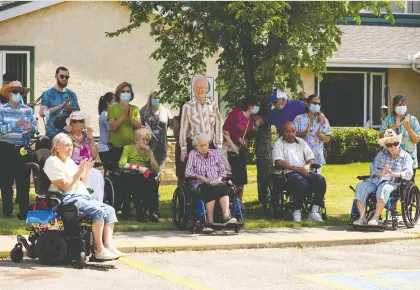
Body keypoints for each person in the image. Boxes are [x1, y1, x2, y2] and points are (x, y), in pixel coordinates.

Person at [44, 133, 123, 260]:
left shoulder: (68, 161)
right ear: (57, 147)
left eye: (71, 145)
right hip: (67, 197)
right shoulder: (52, 161)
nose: (70, 148)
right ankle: (99, 249)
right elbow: (65, 186)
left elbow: (82, 180)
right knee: (99, 212)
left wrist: (85, 169)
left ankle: (108, 245)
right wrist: (80, 171)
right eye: (67, 145)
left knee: (110, 211)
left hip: (82, 195)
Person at [353, 129, 413, 226]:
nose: (393, 146)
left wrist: (393, 174)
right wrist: (381, 172)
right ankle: (362, 218)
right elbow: (372, 168)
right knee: (360, 187)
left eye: (395, 143)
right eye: (389, 145)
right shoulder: (381, 154)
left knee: (383, 188)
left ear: (399, 142)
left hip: (393, 182)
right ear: (386, 146)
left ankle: (375, 217)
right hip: (376, 180)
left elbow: (409, 174)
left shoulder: (406, 157)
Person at [272, 122, 326, 222]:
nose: (291, 134)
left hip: (303, 171)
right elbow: (278, 162)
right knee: (301, 182)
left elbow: (311, 158)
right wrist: (297, 169)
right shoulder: (279, 143)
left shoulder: (301, 142)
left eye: (293, 131)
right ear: (283, 132)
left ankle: (314, 212)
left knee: (320, 180)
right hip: (286, 174)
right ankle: (297, 211)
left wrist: (307, 165)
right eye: (287, 132)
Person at [0, 81, 37, 219]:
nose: (18, 95)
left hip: (23, 148)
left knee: (23, 182)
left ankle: (23, 212)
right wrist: (15, 124)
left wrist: (30, 127)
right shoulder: (2, 109)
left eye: (20, 92)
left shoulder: (28, 110)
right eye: (15, 92)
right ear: (9, 94)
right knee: (6, 182)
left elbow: (35, 126)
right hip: (6, 148)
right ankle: (7, 210)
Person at [185, 133, 237, 231]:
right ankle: (210, 220)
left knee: (222, 186)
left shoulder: (215, 153)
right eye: (201, 145)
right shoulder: (193, 154)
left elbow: (222, 170)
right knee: (210, 188)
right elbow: (188, 172)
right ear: (196, 146)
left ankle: (226, 216)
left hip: (216, 182)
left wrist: (218, 179)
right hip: (201, 184)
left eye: (206, 144)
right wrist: (201, 178)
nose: (204, 147)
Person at [223, 99, 260, 207]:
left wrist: (256, 128)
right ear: (250, 106)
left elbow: (248, 136)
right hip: (228, 147)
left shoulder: (251, 120)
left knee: (241, 176)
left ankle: (238, 201)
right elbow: (226, 128)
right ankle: (227, 201)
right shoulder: (237, 113)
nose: (257, 109)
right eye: (256, 106)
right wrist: (238, 138)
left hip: (240, 150)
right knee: (229, 175)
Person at [118, 128, 160, 222]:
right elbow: (121, 164)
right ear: (137, 140)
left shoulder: (147, 151)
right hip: (131, 175)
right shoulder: (128, 148)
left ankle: (151, 212)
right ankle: (140, 214)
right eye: (143, 139)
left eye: (147, 140)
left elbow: (156, 169)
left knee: (152, 183)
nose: (145, 142)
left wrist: (151, 154)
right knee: (137, 184)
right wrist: (139, 168)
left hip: (145, 175)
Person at [179, 75, 223, 163]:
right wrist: (183, 150)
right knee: (197, 175)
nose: (200, 90)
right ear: (194, 88)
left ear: (206, 89)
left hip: (210, 147)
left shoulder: (213, 106)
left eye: (202, 88)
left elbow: (218, 128)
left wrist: (219, 148)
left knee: (211, 175)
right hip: (195, 147)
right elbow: (183, 130)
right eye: (197, 88)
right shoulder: (187, 106)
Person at [65, 111, 104, 202]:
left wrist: (91, 139)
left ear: (83, 123)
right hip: (73, 168)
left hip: (88, 167)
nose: (78, 123)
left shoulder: (87, 136)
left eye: (80, 121)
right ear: (71, 123)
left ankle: (97, 201)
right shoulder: (66, 138)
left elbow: (94, 155)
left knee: (96, 174)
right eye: (75, 121)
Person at [380, 95, 420, 181]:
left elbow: (416, 140)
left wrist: (409, 128)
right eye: (398, 104)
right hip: (391, 161)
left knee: (408, 188)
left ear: (406, 106)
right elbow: (381, 137)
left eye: (403, 104)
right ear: (393, 107)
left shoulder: (412, 120)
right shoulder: (388, 120)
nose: (401, 107)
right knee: (390, 185)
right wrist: (394, 126)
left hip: (409, 161)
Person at [293, 94, 331, 173]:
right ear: (307, 104)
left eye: (319, 104)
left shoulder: (323, 121)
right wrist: (304, 133)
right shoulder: (299, 118)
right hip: (301, 156)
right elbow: (292, 134)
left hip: (317, 157)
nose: (317, 105)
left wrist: (321, 135)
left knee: (316, 181)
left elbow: (327, 139)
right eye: (314, 103)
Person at [39, 67, 80, 139]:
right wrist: (60, 106)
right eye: (61, 76)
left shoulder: (72, 95)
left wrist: (71, 111)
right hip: (52, 134)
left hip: (69, 134)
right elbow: (42, 113)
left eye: (66, 77)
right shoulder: (48, 94)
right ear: (56, 76)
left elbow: (77, 116)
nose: (64, 79)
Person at [107, 82, 142, 167]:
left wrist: (130, 118)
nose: (126, 93)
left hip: (131, 147)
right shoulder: (112, 108)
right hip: (117, 147)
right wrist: (124, 114)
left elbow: (139, 126)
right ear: (118, 94)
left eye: (128, 91)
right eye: (123, 91)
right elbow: (112, 127)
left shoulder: (135, 109)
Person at [140, 90, 173, 167]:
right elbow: (138, 127)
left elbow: (172, 125)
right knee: (146, 173)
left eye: (159, 98)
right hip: (146, 147)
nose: (157, 99)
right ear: (150, 99)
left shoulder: (165, 111)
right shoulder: (143, 111)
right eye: (154, 98)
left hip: (161, 149)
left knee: (157, 173)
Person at [172, 100, 187, 186]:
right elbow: (176, 135)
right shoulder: (177, 119)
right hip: (181, 148)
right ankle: (181, 195)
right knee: (182, 173)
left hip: (194, 148)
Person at [98, 92, 114, 165]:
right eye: (115, 102)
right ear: (108, 103)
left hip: (107, 147)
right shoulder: (105, 115)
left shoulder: (107, 114)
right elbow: (112, 131)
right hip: (105, 148)